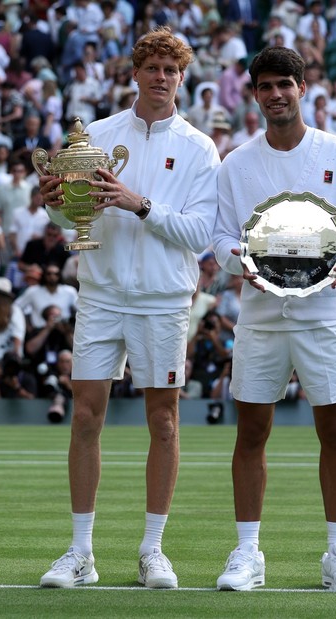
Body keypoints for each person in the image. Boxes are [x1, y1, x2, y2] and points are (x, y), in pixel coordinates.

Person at [37, 27, 220, 590]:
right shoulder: (94, 135)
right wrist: (55, 207)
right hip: (100, 293)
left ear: (182, 79)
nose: (161, 77)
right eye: (152, 67)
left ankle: (152, 550)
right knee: (85, 416)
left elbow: (201, 235)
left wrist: (139, 204)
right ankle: (81, 553)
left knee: (163, 421)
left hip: (164, 301)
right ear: (135, 73)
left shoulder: (199, 147)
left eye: (171, 69)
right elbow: (74, 219)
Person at [211, 47, 336, 593]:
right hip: (260, 316)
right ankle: (246, 554)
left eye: (285, 83)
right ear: (254, 94)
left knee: (334, 430)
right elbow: (218, 239)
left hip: (326, 315)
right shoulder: (236, 164)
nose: (276, 94)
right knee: (251, 432)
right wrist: (246, 263)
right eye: (265, 86)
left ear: (302, 88)